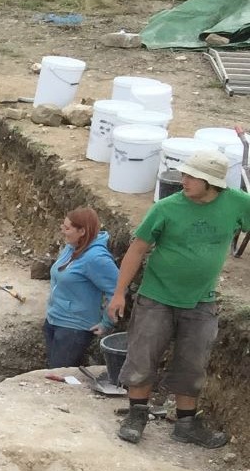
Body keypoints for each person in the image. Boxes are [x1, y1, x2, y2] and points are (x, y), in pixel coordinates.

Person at [108, 149, 250, 447]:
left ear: (210, 183)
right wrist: (119, 292)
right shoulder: (166, 208)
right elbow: (137, 249)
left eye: (190, 177)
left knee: (193, 362)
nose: (182, 180)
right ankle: (137, 415)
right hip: (156, 296)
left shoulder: (238, 203)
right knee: (143, 356)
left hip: (202, 300)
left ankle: (186, 424)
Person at [44, 207, 118, 368]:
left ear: (82, 231)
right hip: (54, 319)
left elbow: (117, 290)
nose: (62, 231)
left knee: (58, 376)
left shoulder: (96, 258)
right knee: (54, 373)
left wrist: (107, 322)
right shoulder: (72, 246)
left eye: (67, 228)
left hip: (73, 329)